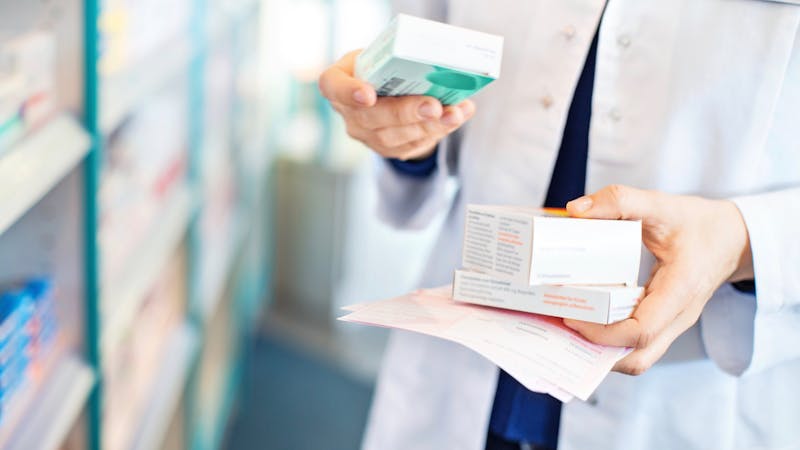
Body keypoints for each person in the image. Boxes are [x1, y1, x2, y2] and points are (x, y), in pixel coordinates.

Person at [318, 1, 800, 449]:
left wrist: (742, 241)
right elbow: (427, 73)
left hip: (688, 391)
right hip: (462, 372)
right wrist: (402, 133)